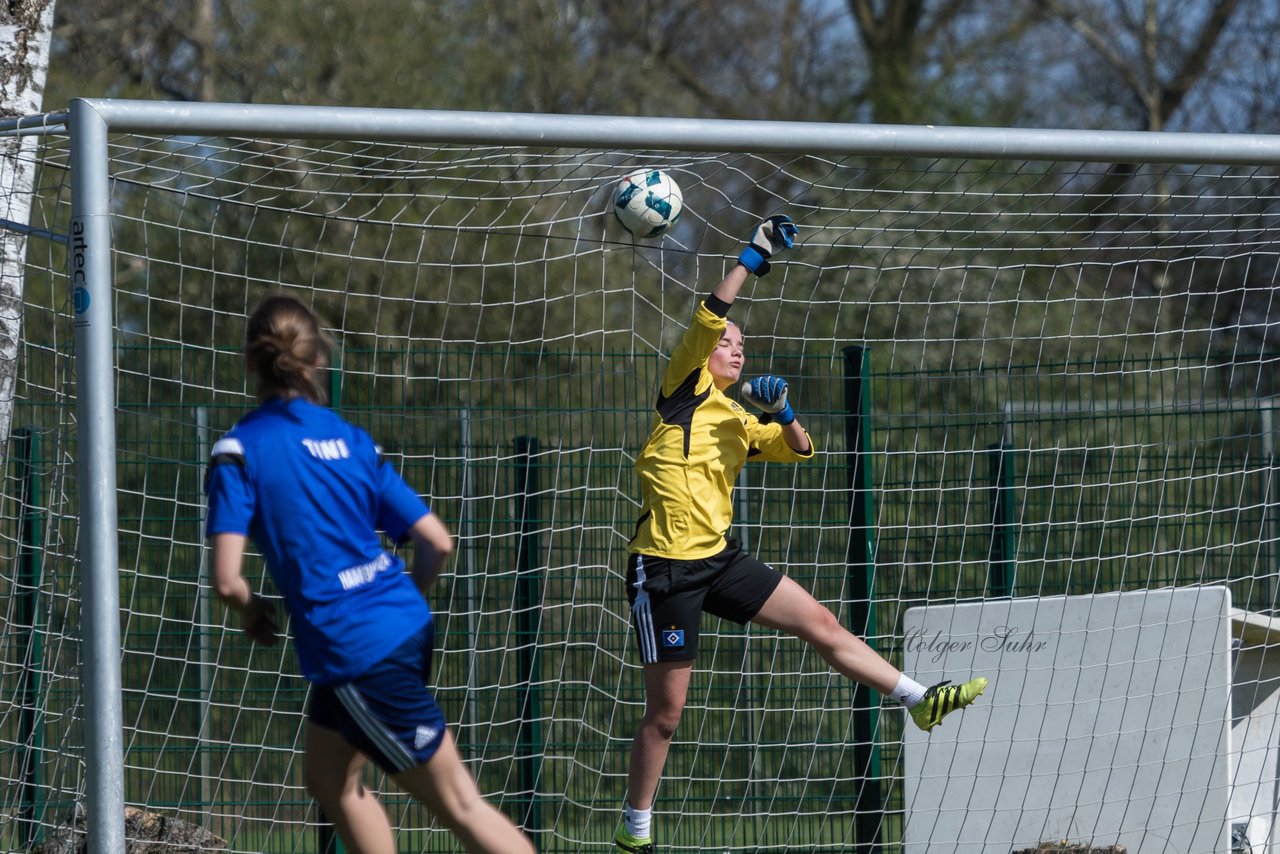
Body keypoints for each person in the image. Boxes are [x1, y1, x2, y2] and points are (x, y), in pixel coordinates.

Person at [613, 217, 988, 854]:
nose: (737, 349)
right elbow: (711, 311)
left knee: (821, 621)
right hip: (665, 569)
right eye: (728, 342)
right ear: (702, 354)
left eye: (741, 344)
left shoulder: (736, 417)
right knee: (666, 716)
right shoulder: (681, 392)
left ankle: (919, 698)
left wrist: (783, 412)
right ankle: (634, 830)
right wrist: (753, 256)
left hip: (720, 560)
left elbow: (801, 450)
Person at [205, 295, 536, 854]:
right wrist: (399, 605)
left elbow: (226, 580)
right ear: (317, 361)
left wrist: (251, 609)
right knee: (333, 782)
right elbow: (436, 544)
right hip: (396, 626)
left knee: (459, 804)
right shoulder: (354, 442)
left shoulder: (239, 452)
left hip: (357, 649)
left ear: (250, 362)